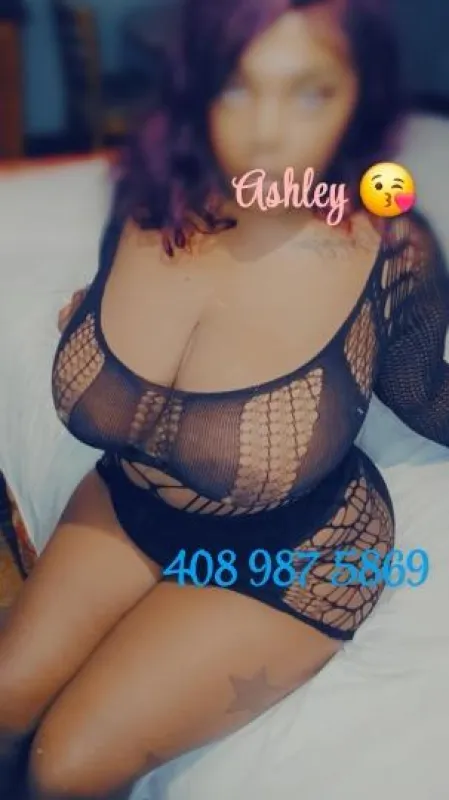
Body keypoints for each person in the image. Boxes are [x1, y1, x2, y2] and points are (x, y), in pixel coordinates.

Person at [1, 0, 449, 798]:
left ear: (361, 100)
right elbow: (119, 316)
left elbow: (422, 394)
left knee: (62, 767)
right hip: (134, 500)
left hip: (295, 551)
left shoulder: (389, 247)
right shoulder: (146, 199)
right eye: (237, 86)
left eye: (309, 91)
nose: (267, 132)